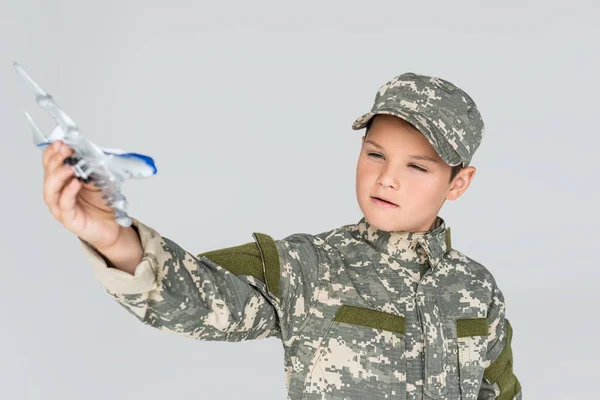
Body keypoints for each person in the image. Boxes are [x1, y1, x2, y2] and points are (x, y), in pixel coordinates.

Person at [41, 72, 522, 400]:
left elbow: (500, 392)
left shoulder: (476, 288)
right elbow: (197, 294)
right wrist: (113, 236)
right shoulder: (307, 266)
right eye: (376, 155)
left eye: (417, 166)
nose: (387, 178)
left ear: (458, 183)